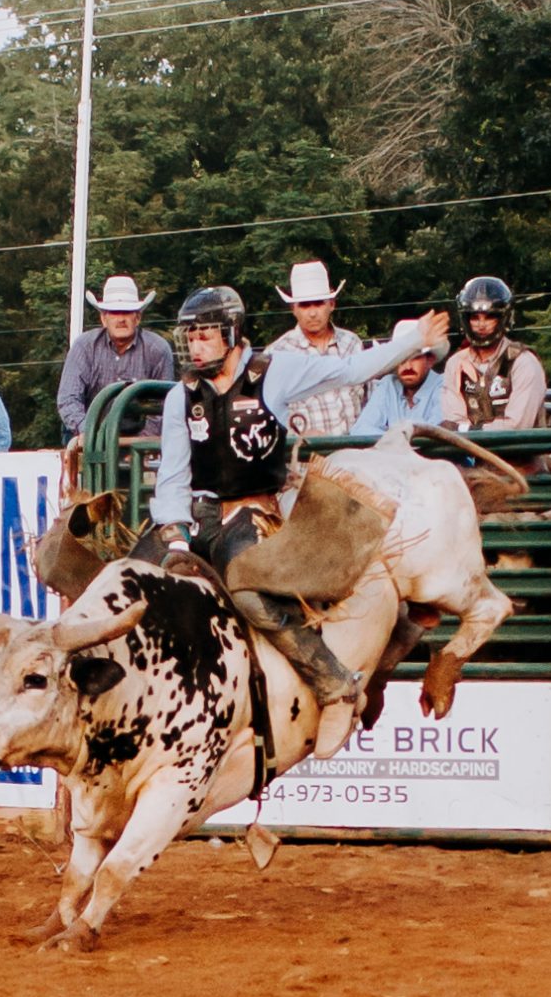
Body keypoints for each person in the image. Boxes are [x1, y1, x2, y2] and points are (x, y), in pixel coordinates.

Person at [146, 285, 452, 702]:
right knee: (133, 578)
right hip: (198, 516)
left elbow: (350, 370)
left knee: (249, 595)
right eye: (191, 337)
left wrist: (414, 339)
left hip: (253, 512)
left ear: (232, 333)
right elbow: (173, 473)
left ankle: (332, 677)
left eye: (204, 335)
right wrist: (175, 534)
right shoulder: (180, 396)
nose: (195, 347)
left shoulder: (275, 371)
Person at [56, 275, 175, 440]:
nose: (121, 319)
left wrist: (142, 444)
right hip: (89, 434)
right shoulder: (84, 347)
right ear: (103, 318)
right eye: (114, 312)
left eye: (127, 312)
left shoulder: (158, 349)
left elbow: (165, 405)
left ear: (138, 317)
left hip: (139, 437)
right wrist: (88, 433)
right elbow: (68, 399)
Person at [270, 261, 368, 438]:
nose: (312, 313)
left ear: (332, 304)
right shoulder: (277, 354)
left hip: (354, 457)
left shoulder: (352, 344)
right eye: (305, 305)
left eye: (318, 304)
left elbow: (370, 400)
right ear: (294, 309)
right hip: (306, 460)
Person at [439, 278, 548, 430]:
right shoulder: (455, 363)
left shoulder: (523, 362)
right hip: (469, 451)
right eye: (474, 317)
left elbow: (518, 426)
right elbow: (453, 421)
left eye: (489, 316)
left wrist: (472, 431)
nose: (481, 324)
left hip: (523, 451)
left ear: (503, 318)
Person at [352, 324, 449, 433]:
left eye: (415, 358)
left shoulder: (444, 385)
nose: (408, 367)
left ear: (430, 360)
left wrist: (390, 439)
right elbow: (360, 429)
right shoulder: (388, 385)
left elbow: (438, 432)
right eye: (401, 358)